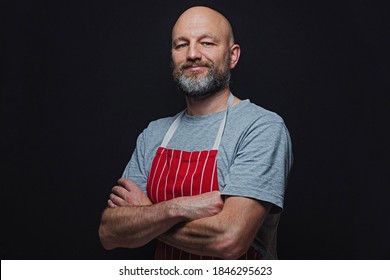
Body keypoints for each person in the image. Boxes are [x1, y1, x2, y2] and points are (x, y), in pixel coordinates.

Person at [99, 5, 293, 260]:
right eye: (181, 45)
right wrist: (175, 208)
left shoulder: (260, 127)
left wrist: (147, 214)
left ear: (232, 56)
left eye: (207, 43)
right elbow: (110, 232)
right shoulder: (154, 134)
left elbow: (229, 239)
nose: (192, 53)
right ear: (172, 56)